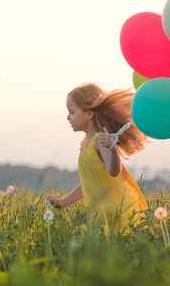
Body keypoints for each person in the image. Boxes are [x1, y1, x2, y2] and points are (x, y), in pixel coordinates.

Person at [45, 83, 149, 233]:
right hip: (102, 209)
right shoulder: (86, 144)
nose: (68, 117)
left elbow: (114, 171)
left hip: (114, 207)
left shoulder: (100, 141)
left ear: (89, 113)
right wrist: (62, 203)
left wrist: (113, 151)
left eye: (72, 112)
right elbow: (88, 183)